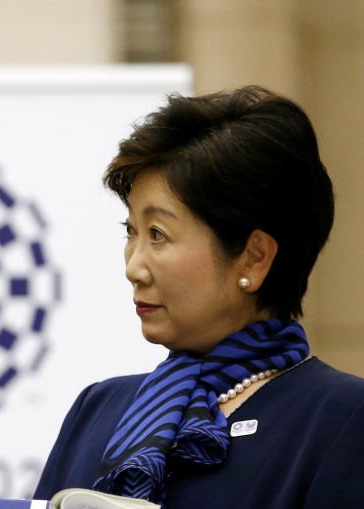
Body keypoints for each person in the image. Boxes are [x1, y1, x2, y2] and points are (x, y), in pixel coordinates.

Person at [33, 86, 364, 508]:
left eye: (158, 235)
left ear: (254, 258)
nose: (133, 267)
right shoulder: (98, 407)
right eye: (130, 232)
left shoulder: (341, 417)